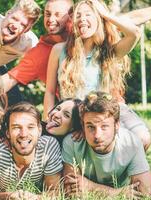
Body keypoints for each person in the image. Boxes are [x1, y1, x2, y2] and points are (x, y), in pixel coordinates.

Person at [44, 0, 150, 150]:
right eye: (78, 16)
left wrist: (106, 15)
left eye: (88, 14)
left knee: (143, 138)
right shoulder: (59, 50)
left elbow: (134, 33)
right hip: (75, 114)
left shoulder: (109, 51)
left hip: (107, 110)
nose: (82, 19)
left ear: (100, 19)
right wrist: (46, 123)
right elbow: (49, 91)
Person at [2, 0, 151, 93]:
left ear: (71, 16)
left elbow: (132, 20)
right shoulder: (41, 52)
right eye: (47, 14)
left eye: (58, 14)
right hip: (70, 109)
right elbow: (8, 80)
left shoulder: (87, 30)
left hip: (110, 102)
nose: (51, 19)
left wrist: (105, 15)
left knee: (142, 137)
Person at [62, 91, 151, 198]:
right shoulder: (72, 142)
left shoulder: (131, 143)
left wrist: (89, 186)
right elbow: (71, 192)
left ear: (117, 125)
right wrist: (119, 193)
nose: (97, 135)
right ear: (82, 126)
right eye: (90, 127)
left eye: (104, 126)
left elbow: (145, 191)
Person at [0, 102, 63, 199]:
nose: (24, 134)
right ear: (8, 133)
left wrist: (35, 198)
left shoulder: (48, 146)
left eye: (30, 127)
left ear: (39, 130)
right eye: (16, 127)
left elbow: (55, 192)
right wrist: (9, 196)